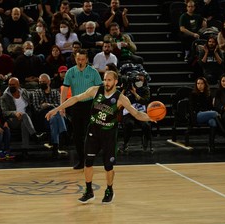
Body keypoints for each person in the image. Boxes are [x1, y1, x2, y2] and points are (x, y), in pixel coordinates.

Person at [46, 70, 153, 204]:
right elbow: (75, 98)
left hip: (109, 134)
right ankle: (89, 190)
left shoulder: (120, 98)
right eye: (105, 79)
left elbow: (136, 113)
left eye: (109, 80)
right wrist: (56, 109)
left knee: (108, 167)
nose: (106, 82)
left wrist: (150, 117)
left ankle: (109, 189)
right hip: (93, 132)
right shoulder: (95, 90)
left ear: (115, 82)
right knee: (88, 163)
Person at [61, 49, 103, 169]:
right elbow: (64, 89)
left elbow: (100, 90)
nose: (80, 61)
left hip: (90, 105)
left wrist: (99, 106)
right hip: (76, 105)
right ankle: (81, 159)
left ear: (87, 60)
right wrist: (62, 105)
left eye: (83, 59)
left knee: (89, 134)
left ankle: (89, 158)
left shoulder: (93, 72)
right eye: (78, 59)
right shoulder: (70, 72)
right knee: (77, 135)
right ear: (75, 59)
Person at [31, 73, 67, 158]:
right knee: (55, 114)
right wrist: (51, 106)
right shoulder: (36, 93)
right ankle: (64, 132)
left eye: (44, 81)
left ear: (49, 82)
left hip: (54, 115)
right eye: (40, 82)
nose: (42, 83)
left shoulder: (55, 92)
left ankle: (55, 146)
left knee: (54, 118)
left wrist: (48, 105)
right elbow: (36, 108)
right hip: (43, 116)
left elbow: (60, 105)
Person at [189, 77, 225, 151]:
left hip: (208, 115)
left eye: (202, 83)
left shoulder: (208, 95)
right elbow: (192, 109)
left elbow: (211, 107)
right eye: (198, 83)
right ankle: (224, 132)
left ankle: (211, 144)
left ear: (205, 85)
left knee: (213, 122)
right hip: (197, 116)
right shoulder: (193, 95)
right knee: (215, 113)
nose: (200, 85)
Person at [119, 72, 151, 153]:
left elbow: (145, 101)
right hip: (128, 112)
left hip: (140, 112)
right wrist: (124, 89)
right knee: (129, 123)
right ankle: (125, 143)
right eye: (138, 78)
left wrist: (135, 93)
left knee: (146, 125)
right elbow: (119, 100)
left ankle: (146, 140)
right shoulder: (128, 87)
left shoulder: (145, 89)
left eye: (141, 79)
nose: (139, 80)